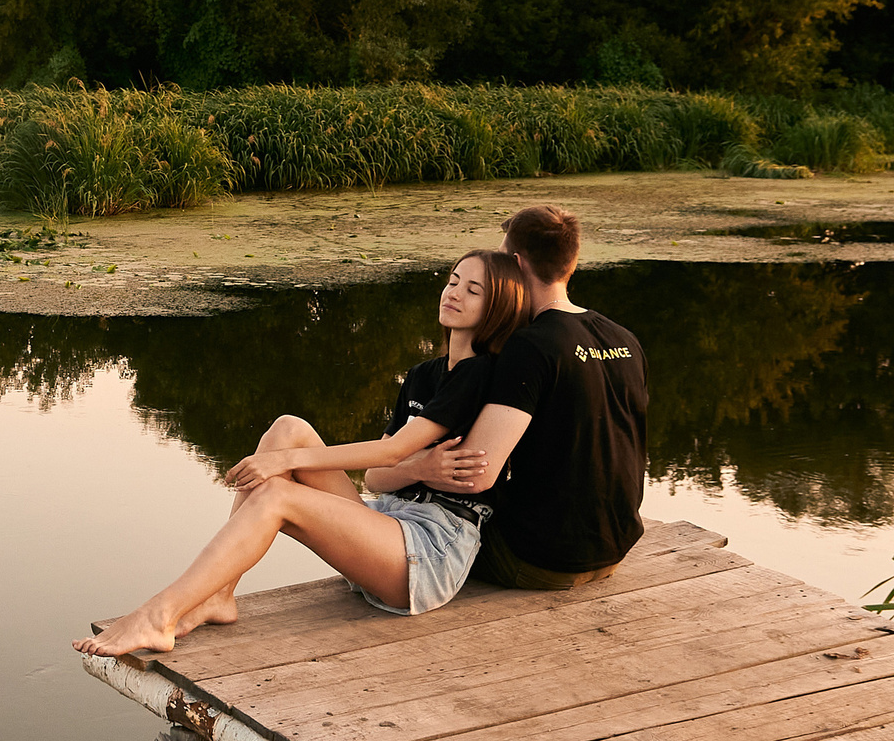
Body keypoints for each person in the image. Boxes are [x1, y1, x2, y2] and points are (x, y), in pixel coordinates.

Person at [74, 251, 534, 657]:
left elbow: (393, 449)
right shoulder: (422, 375)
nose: (454, 293)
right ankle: (220, 594)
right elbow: (377, 476)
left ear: (495, 309)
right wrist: (422, 468)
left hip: (430, 552)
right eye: (453, 280)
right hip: (386, 523)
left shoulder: (481, 374)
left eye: (473, 290)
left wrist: (288, 463)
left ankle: (160, 615)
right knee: (288, 428)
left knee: (277, 493)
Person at [411, 205, 649, 590]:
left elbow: (474, 475)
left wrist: (403, 466)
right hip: (614, 549)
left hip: (538, 559)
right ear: (570, 264)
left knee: (405, 535)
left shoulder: (531, 346)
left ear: (516, 264)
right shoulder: (624, 338)